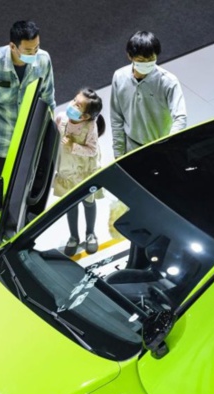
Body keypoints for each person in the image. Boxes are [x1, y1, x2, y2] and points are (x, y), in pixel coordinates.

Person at [0, 20, 56, 236]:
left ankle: (16, 240)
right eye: (28, 50)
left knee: (23, 196)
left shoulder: (43, 60)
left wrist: (49, 137)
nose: (34, 53)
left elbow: (48, 97)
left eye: (37, 47)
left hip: (27, 144)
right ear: (13, 46)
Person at [110, 30, 187, 158]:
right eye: (141, 60)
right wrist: (118, 154)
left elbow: (180, 118)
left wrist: (170, 146)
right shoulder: (119, 77)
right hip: (132, 148)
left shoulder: (168, 81)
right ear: (130, 56)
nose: (146, 64)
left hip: (163, 147)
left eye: (151, 59)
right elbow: (116, 118)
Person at [54, 88, 106, 256]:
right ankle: (73, 236)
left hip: (84, 171)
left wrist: (72, 146)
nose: (72, 105)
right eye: (74, 101)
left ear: (85, 116)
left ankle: (90, 233)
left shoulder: (90, 127)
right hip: (67, 169)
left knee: (88, 201)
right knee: (70, 204)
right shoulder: (61, 118)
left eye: (78, 105)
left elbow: (92, 150)